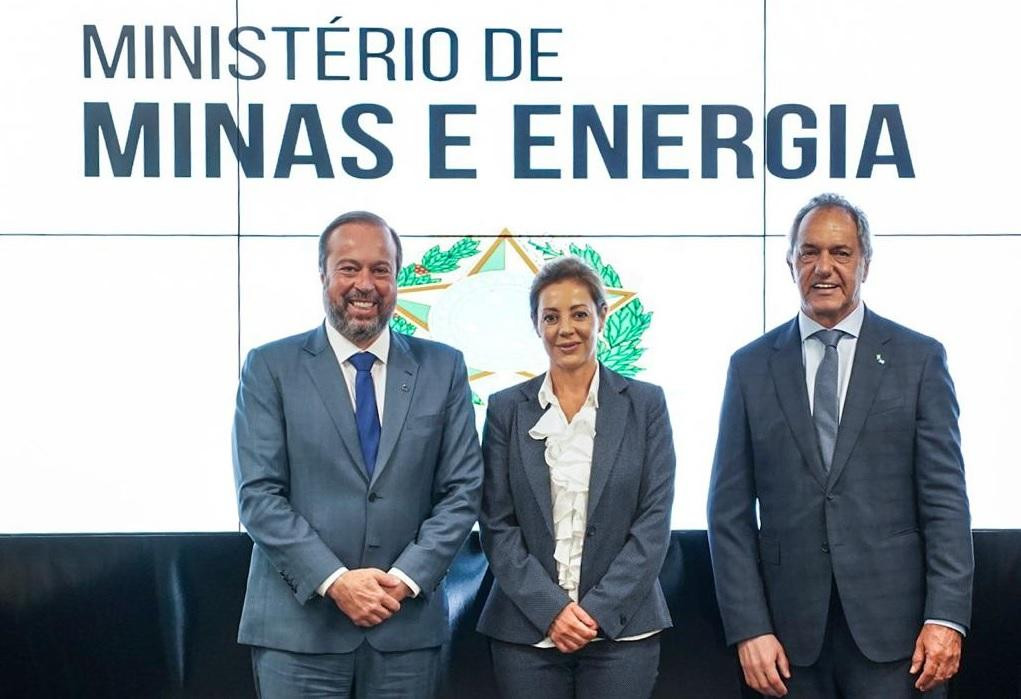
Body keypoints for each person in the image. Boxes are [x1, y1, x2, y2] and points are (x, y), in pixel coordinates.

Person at [707, 193, 973, 698]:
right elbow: (728, 513)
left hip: (899, 641)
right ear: (790, 263)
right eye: (808, 253)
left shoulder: (919, 360)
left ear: (865, 263)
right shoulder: (750, 367)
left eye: (840, 253)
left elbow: (946, 504)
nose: (823, 268)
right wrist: (749, 628)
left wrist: (946, 617)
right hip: (785, 645)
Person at [232, 211, 483, 698]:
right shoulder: (269, 367)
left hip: (405, 631)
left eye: (380, 269)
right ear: (323, 275)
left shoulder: (443, 368)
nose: (364, 284)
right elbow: (258, 496)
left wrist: (406, 579)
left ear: (396, 277)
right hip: (298, 634)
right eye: (348, 268)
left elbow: (462, 490)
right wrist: (336, 581)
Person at [477, 256, 676, 699]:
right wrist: (552, 611)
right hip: (526, 631)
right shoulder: (506, 409)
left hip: (623, 631)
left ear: (603, 315)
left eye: (579, 313)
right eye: (551, 317)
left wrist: (595, 613)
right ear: (536, 325)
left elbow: (653, 523)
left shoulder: (646, 405)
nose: (566, 329)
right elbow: (496, 525)